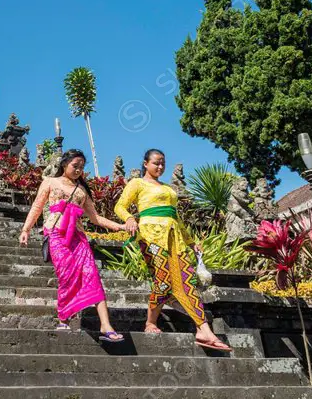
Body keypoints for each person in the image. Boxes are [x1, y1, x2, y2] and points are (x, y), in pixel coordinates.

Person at [114, 148, 233, 352]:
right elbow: (120, 207)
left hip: (174, 237)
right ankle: (151, 322)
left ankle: (203, 330)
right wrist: (130, 218)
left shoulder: (168, 188)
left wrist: (190, 242)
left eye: (162, 163)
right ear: (145, 164)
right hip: (151, 235)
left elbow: (175, 218)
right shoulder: (137, 183)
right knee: (163, 281)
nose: (160, 167)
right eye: (156, 163)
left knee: (186, 282)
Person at [19, 149, 127, 342]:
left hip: (78, 237)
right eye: (74, 166)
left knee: (91, 274)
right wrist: (26, 230)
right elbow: (37, 206)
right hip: (56, 234)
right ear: (64, 164)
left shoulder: (82, 190)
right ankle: (64, 318)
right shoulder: (51, 182)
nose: (78, 170)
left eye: (81, 167)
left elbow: (95, 218)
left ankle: (106, 325)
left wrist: (119, 226)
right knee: (67, 275)